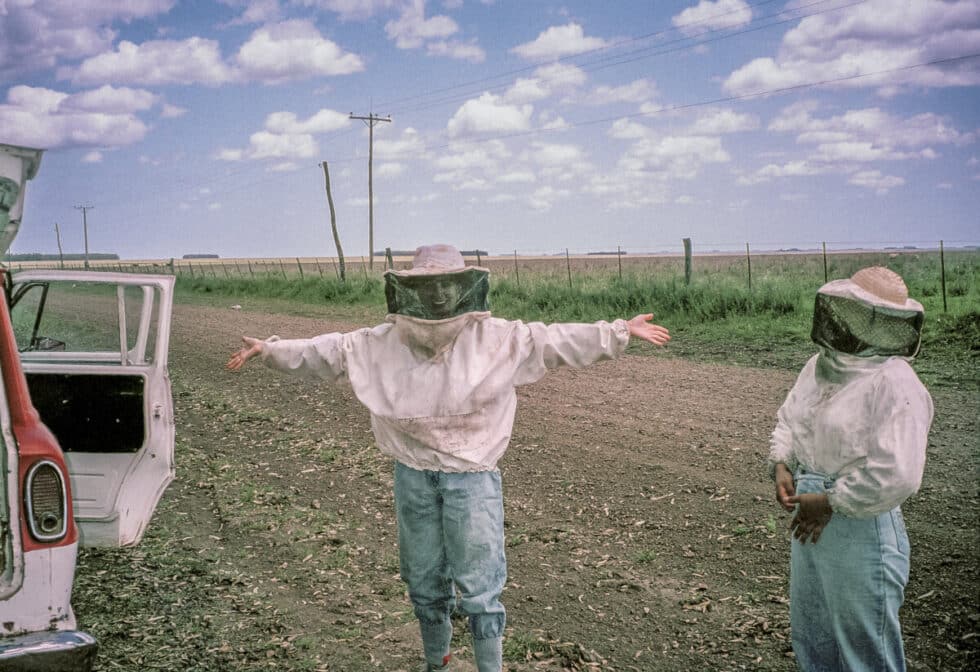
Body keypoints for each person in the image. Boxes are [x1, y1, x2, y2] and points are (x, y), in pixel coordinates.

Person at [226, 244, 670, 672]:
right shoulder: (379, 342)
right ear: (410, 289)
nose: (437, 294)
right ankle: (436, 664)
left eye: (446, 284)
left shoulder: (498, 338)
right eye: (428, 284)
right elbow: (326, 352)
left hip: (471, 480)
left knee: (480, 590)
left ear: (463, 287)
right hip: (413, 477)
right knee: (423, 582)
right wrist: (270, 350)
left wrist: (618, 331)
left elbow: (554, 340)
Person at [767, 266, 934, 672]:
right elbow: (791, 416)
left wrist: (830, 500)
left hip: (861, 525)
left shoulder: (895, 381)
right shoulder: (819, 364)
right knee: (814, 637)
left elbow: (898, 472)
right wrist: (782, 463)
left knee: (865, 653)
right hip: (809, 512)